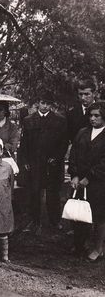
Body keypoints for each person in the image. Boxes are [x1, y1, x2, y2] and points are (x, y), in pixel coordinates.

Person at [18, 92, 68, 235]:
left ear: (51, 105)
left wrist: (57, 157)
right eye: (42, 102)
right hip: (34, 162)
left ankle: (55, 220)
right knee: (34, 191)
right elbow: (24, 143)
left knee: (53, 192)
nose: (45, 106)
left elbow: (64, 142)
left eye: (48, 103)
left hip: (52, 162)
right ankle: (35, 220)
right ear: (37, 103)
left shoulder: (59, 120)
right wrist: (25, 161)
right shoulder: (29, 120)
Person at [68, 102, 105, 262]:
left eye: (97, 115)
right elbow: (73, 154)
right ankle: (80, 244)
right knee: (79, 212)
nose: (93, 118)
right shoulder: (82, 132)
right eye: (90, 115)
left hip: (98, 182)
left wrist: (89, 177)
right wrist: (75, 175)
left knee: (98, 216)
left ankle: (98, 247)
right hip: (80, 181)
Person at [66, 78, 97, 257]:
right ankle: (80, 239)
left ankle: (95, 240)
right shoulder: (73, 113)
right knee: (79, 200)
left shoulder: (100, 110)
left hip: (98, 163)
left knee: (97, 204)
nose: (84, 98)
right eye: (80, 94)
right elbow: (71, 140)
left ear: (94, 93)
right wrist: (74, 170)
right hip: (80, 161)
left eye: (87, 94)